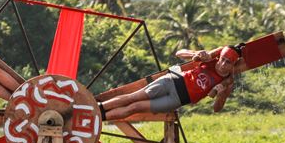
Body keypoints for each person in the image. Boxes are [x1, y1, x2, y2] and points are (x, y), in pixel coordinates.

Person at [99, 45, 241, 120]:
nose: (222, 64)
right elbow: (179, 53)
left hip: (177, 99)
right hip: (172, 81)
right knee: (132, 97)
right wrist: (195, 55)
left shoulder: (227, 83)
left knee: (134, 107)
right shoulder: (209, 58)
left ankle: (100, 117)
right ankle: (98, 108)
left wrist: (221, 95)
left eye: (227, 62)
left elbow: (217, 109)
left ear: (233, 65)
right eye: (222, 59)